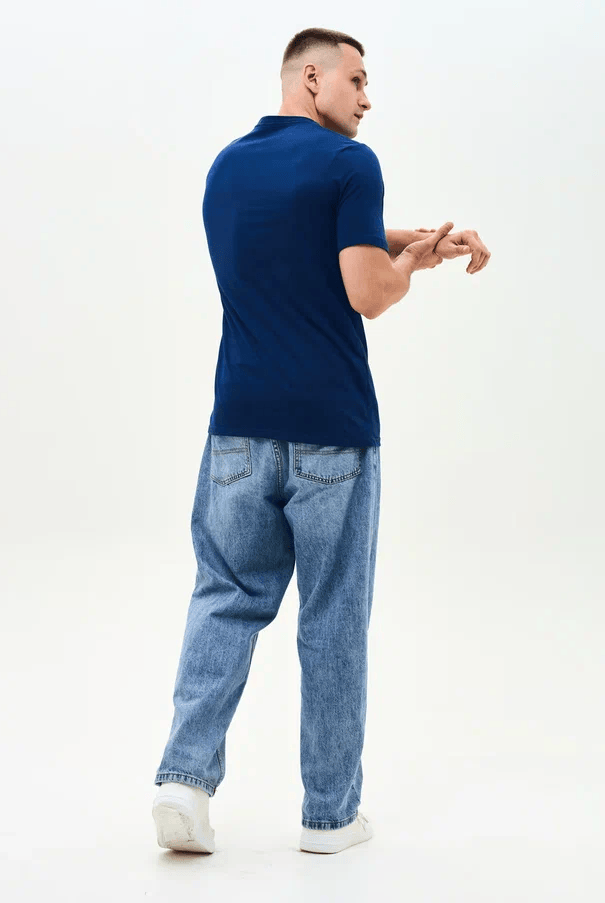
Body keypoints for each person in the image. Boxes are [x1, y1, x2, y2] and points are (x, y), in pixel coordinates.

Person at [151, 26, 490, 856]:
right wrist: (404, 271)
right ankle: (329, 817)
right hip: (331, 432)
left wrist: (414, 243)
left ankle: (182, 783)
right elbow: (365, 291)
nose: (368, 98)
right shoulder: (350, 164)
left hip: (237, 427)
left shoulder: (226, 167)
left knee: (225, 597)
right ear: (312, 77)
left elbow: (302, 244)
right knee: (332, 619)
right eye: (358, 80)